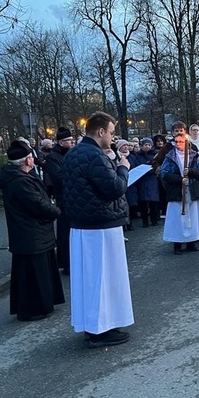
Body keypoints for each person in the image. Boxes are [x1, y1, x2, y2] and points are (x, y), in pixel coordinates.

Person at [63, 111, 133, 348]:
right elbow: (114, 188)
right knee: (103, 279)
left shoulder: (73, 154)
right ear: (101, 131)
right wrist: (123, 168)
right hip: (100, 226)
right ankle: (99, 329)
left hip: (83, 225)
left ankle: (95, 325)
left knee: (90, 280)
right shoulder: (94, 156)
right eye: (112, 132)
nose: (113, 138)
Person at [0, 140, 64, 321]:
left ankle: (41, 305)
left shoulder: (19, 178)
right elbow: (37, 204)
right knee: (34, 275)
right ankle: (34, 309)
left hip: (32, 233)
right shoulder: (19, 182)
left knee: (35, 273)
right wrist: (56, 211)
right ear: (27, 161)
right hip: (31, 233)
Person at [160, 133, 199, 254]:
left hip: (191, 190)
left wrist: (190, 171)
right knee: (177, 217)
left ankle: (191, 241)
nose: (178, 144)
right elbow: (164, 173)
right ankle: (177, 243)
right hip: (176, 191)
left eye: (181, 141)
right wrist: (179, 179)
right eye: (177, 142)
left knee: (192, 216)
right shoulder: (170, 156)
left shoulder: (194, 155)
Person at [43, 126, 75, 275]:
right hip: (63, 197)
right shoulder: (52, 157)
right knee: (65, 231)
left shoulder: (71, 153)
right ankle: (66, 262)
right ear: (60, 142)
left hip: (74, 196)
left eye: (71, 140)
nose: (71, 143)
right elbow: (58, 177)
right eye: (68, 140)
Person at [136, 137, 160, 226]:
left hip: (152, 180)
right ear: (142, 146)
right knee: (143, 203)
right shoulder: (138, 156)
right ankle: (145, 221)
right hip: (142, 180)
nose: (147, 146)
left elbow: (157, 166)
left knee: (153, 202)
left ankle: (154, 220)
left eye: (149, 145)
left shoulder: (155, 155)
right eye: (145, 145)